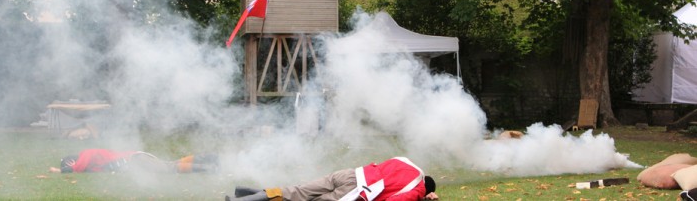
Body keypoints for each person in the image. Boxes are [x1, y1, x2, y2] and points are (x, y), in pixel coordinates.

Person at [225, 156, 439, 201]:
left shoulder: (406, 162)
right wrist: (423, 196)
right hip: (356, 192)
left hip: (349, 173)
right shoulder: (418, 188)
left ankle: (242, 196)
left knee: (297, 191)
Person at [48, 148, 219, 174]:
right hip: (136, 158)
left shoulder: (85, 154)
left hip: (136, 160)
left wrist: (61, 170)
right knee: (171, 164)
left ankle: (209, 167)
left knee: (169, 168)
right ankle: (208, 159)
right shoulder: (91, 164)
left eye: (68, 163)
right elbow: (87, 169)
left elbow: (79, 166)